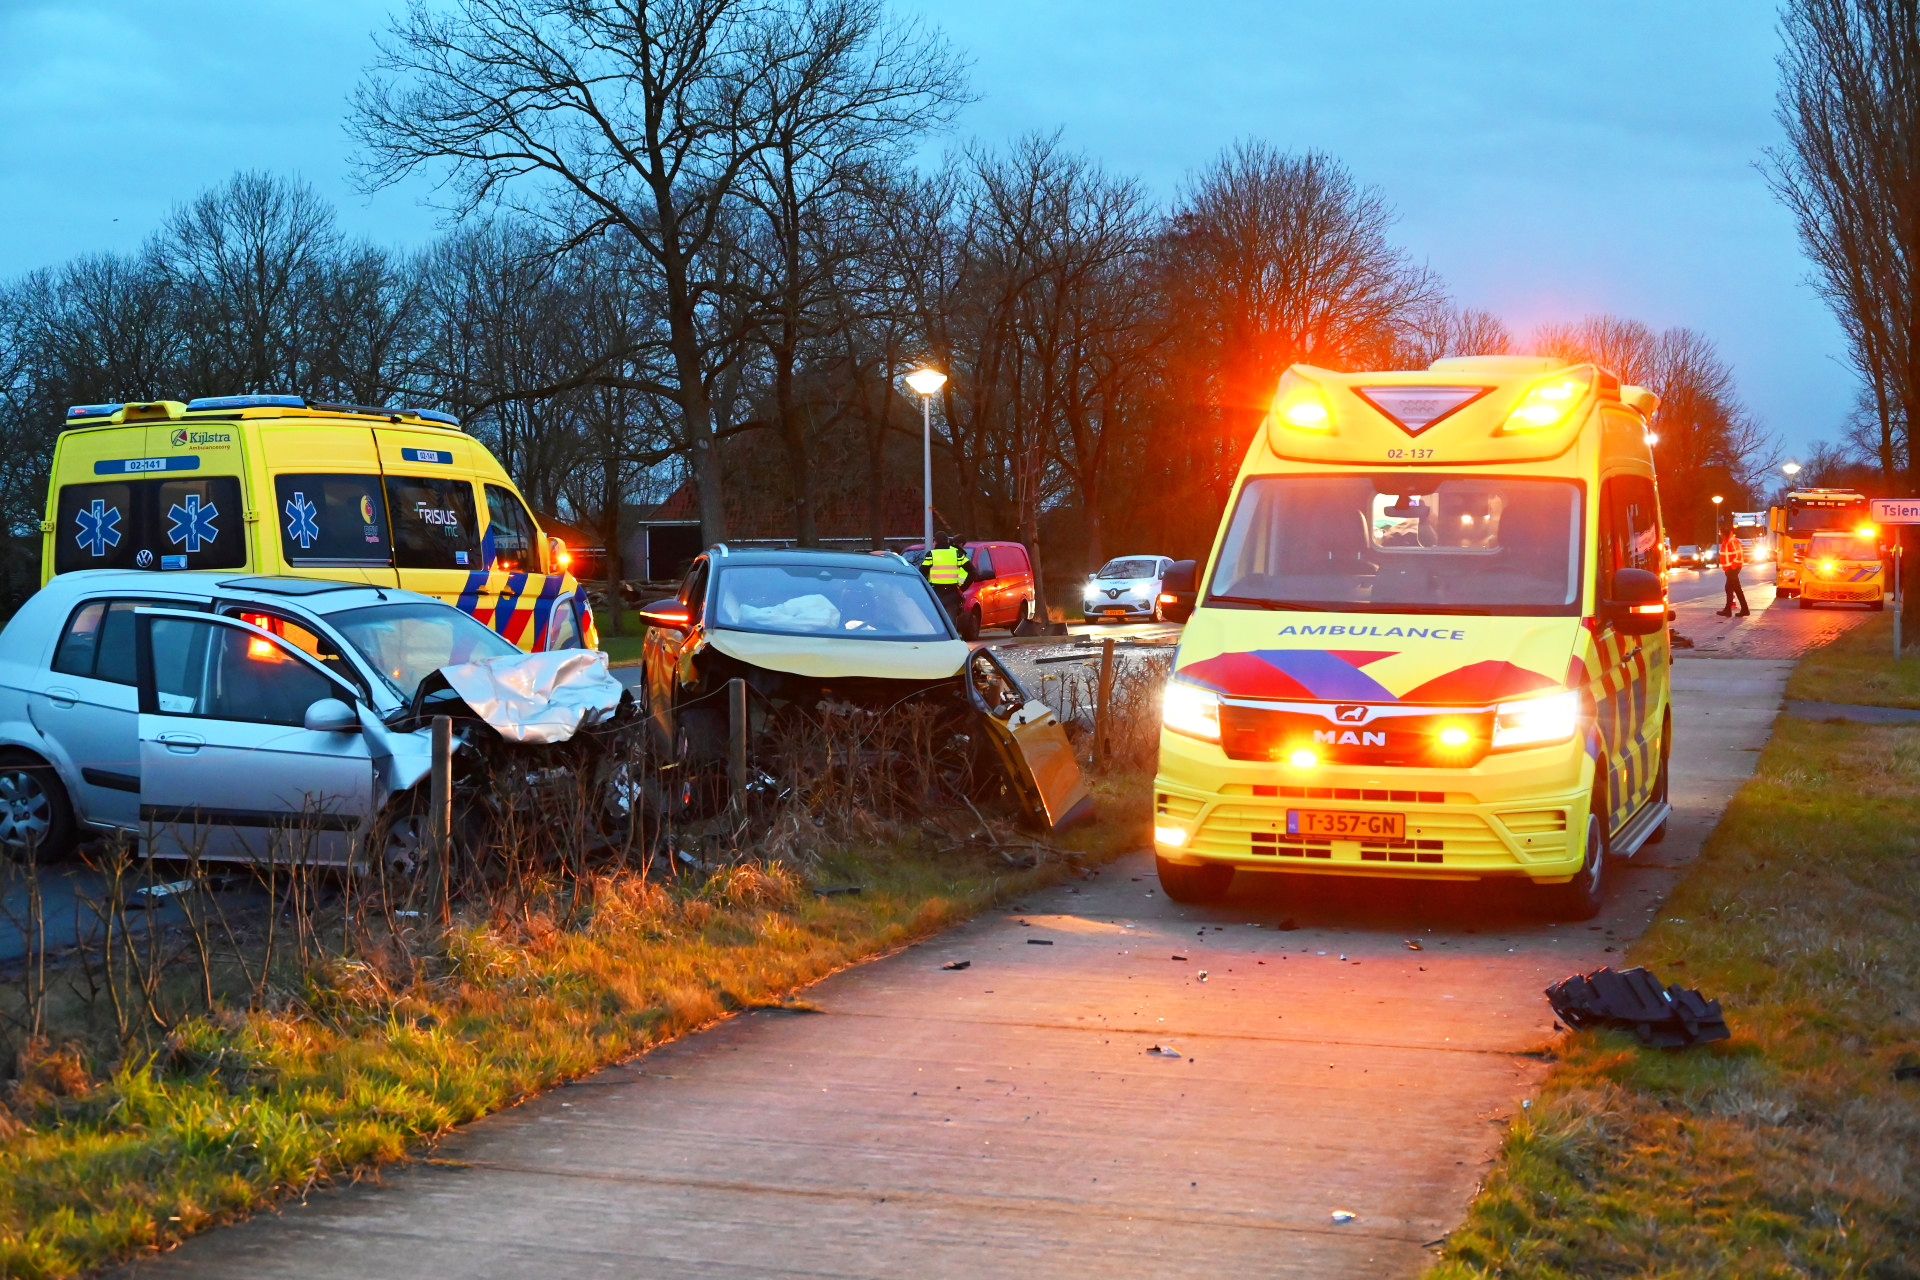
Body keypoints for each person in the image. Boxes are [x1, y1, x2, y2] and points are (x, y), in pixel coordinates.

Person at [920, 532, 973, 628]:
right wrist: (962, 588)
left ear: (935, 542)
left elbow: (921, 573)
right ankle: (951, 642)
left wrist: (925, 588)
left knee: (935, 624)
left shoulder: (931, 555)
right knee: (950, 626)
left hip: (935, 593)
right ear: (947, 541)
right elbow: (973, 572)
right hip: (952, 593)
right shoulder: (957, 554)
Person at [1716, 527, 1749, 617]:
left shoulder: (1731, 541)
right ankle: (1745, 610)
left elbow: (1738, 555)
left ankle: (1728, 610)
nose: (1720, 535)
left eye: (1720, 533)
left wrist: (1732, 567)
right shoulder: (1727, 541)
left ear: (1724, 533)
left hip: (1733, 569)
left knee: (1728, 588)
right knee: (1737, 589)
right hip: (1730, 569)